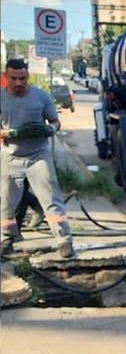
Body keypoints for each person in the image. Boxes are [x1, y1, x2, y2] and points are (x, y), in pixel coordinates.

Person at [1, 59, 75, 258]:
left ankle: (64, 241)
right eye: (13, 78)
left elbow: (56, 122)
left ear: (28, 76)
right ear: (6, 77)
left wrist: (49, 129)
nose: (18, 83)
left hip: (38, 157)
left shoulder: (41, 97)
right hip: (10, 157)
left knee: (51, 198)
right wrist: (12, 133)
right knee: (6, 202)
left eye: (22, 78)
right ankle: (6, 239)